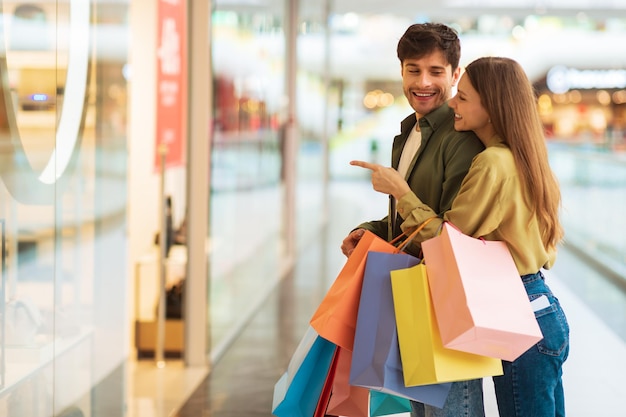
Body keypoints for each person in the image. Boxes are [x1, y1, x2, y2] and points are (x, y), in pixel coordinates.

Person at [352, 56, 570, 417]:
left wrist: (402, 193)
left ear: (492, 106)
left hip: (518, 308)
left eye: (464, 97)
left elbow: (446, 242)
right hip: (541, 304)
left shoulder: (492, 163)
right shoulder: (526, 156)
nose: (453, 102)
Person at [339, 23, 485, 416]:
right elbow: (411, 218)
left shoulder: (461, 139)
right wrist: (367, 231)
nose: (423, 82)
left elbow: (453, 235)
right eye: (413, 69)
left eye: (436, 72)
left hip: (447, 305)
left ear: (456, 75)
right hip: (415, 298)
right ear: (401, 71)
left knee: (451, 409)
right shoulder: (409, 134)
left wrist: (398, 191)